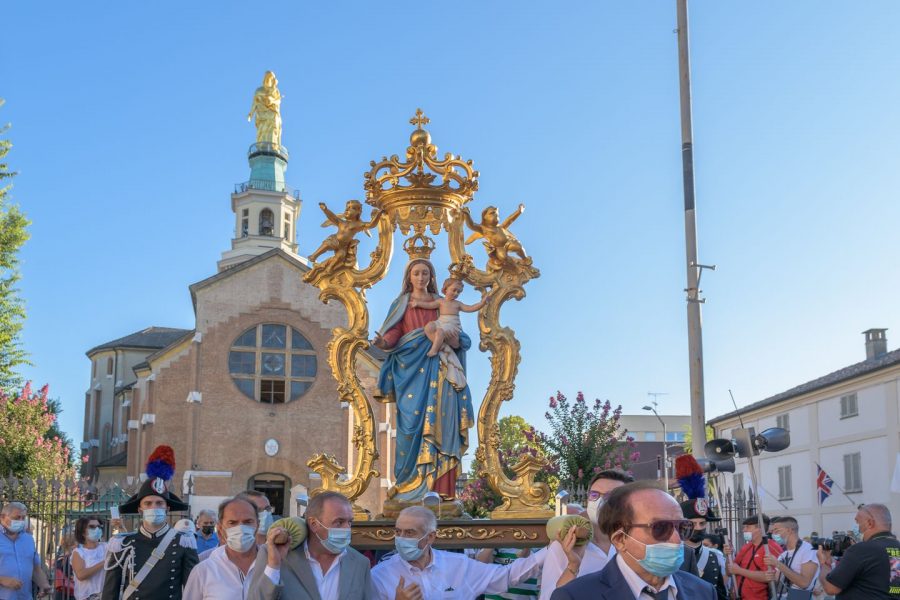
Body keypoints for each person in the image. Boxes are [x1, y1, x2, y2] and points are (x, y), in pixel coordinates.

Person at [372, 258, 475, 501]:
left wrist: (454, 340)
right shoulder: (402, 303)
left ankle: (441, 491)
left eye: (425, 273)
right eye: (416, 273)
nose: (421, 277)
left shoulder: (444, 302)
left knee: (444, 423)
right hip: (410, 372)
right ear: (409, 276)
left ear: (431, 277)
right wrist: (382, 343)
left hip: (442, 368)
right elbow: (394, 334)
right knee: (409, 428)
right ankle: (408, 486)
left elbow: (462, 338)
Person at [550, 481, 716, 599]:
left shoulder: (704, 592)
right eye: (660, 528)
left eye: (682, 527)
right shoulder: (575, 595)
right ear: (620, 539)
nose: (676, 539)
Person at [371, 506, 545, 599]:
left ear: (430, 537)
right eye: (398, 532)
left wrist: (549, 551)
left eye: (409, 533)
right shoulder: (379, 575)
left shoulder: (459, 565)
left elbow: (506, 576)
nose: (401, 538)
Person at [101, 445, 198, 600]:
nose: (154, 507)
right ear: (140, 510)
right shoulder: (122, 544)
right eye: (148, 503)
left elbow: (194, 590)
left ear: (167, 508)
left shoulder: (183, 542)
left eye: (159, 503)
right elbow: (109, 593)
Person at [247, 491, 373, 600]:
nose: (347, 528)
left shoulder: (360, 563)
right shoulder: (274, 554)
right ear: (314, 524)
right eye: (339, 522)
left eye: (349, 522)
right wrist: (274, 566)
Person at [539, 469, 633, 599]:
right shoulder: (564, 545)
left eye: (609, 497)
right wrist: (573, 566)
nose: (600, 502)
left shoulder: (634, 544)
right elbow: (549, 597)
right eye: (594, 495)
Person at [184, 497, 262, 600]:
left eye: (248, 522)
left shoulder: (273, 564)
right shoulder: (203, 571)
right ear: (220, 528)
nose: (241, 528)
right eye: (232, 523)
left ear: (258, 525)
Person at [817, 503, 900, 599]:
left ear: (870, 523)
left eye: (858, 523)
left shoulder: (862, 549)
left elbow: (830, 588)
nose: (857, 528)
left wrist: (824, 563)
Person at [409, 277, 486, 358]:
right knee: (428, 327)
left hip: (452, 324)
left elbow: (470, 308)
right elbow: (429, 305)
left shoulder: (457, 304)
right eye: (454, 290)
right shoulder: (440, 301)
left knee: (439, 332)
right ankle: (441, 345)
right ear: (446, 289)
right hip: (441, 321)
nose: (456, 293)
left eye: (458, 292)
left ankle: (434, 350)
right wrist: (417, 303)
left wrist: (482, 303)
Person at [0, 501, 52, 600]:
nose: (21, 521)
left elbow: (36, 569)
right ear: (2, 517)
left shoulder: (28, 539)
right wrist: (2, 580)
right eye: (17, 517)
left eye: (23, 518)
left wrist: (44, 585)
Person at [726, 514, 782, 600]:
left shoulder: (771, 547)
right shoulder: (746, 547)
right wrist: (728, 556)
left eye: (747, 527)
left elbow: (769, 576)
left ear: (759, 529)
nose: (743, 530)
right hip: (738, 596)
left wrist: (739, 570)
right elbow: (730, 572)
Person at [681, 500, 727, 600]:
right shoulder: (673, 555)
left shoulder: (713, 556)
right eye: (692, 523)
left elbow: (720, 593)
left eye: (702, 523)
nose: (698, 528)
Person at [763, 516, 819, 599]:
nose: (773, 535)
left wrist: (778, 564)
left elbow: (804, 583)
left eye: (776, 531)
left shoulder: (808, 550)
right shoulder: (784, 554)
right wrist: (769, 576)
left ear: (789, 530)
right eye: (772, 532)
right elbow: (778, 580)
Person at [71, 517, 107, 600]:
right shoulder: (78, 552)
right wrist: (104, 562)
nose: (97, 529)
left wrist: (120, 527)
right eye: (92, 527)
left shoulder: (106, 547)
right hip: (86, 597)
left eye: (99, 526)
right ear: (83, 532)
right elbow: (81, 575)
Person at [247, 71, 282, 147]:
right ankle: (262, 145)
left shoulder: (275, 91)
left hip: (272, 112)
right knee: (262, 128)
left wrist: (272, 100)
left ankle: (273, 145)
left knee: (275, 118)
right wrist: (251, 113)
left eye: (271, 78)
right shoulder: (259, 90)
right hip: (261, 112)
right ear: (265, 79)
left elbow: (278, 101)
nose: (269, 80)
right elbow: (255, 102)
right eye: (267, 78)